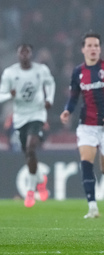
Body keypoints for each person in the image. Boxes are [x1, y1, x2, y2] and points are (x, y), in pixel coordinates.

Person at [60, 31, 104, 219]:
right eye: (89, 45)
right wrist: (67, 110)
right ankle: (92, 207)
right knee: (86, 162)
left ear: (100, 48)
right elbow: (73, 98)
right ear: (82, 49)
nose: (93, 49)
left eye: (96, 45)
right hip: (87, 125)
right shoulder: (78, 72)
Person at [0, 44, 55, 207]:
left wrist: (49, 99)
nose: (24, 55)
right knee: (28, 154)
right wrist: (9, 94)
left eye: (27, 52)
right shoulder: (10, 73)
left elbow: (50, 83)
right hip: (20, 117)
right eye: (21, 52)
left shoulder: (40, 70)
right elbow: (1, 94)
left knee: (31, 148)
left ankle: (31, 192)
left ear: (31, 54)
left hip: (37, 114)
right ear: (18, 55)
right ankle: (40, 179)